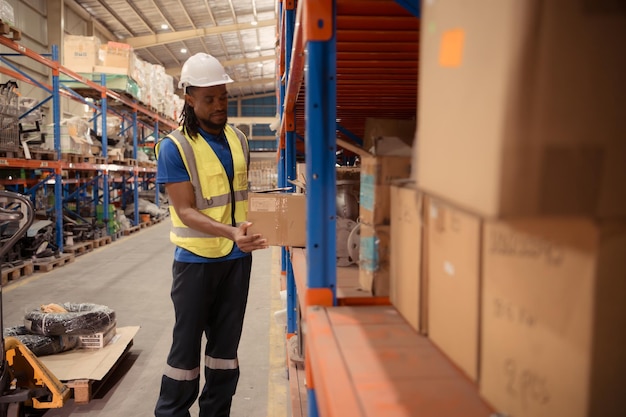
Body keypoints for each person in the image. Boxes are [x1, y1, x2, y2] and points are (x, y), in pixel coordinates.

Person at [154, 52, 268, 417]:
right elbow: (185, 210)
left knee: (224, 352)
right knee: (184, 353)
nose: (220, 105)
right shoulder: (174, 147)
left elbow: (240, 197)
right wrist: (232, 232)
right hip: (196, 263)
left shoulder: (239, 139)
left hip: (236, 261)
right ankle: (171, 413)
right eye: (209, 99)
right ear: (189, 98)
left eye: (223, 97)